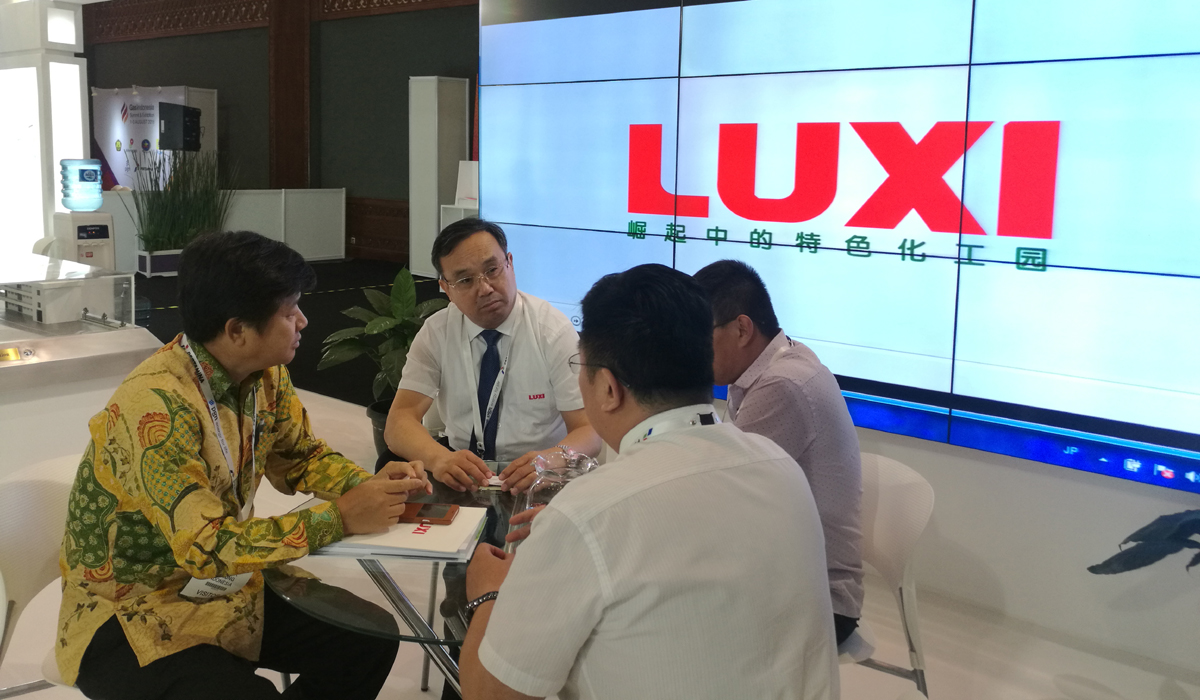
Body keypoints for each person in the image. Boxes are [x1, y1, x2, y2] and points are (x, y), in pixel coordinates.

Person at [57, 231, 427, 700]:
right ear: (237, 331)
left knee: (369, 641)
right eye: (289, 312)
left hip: (221, 586)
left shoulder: (266, 375)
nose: (303, 321)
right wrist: (339, 517)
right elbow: (206, 546)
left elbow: (301, 457)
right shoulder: (155, 408)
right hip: (132, 608)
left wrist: (373, 487)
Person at [459, 264, 839, 700]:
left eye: (579, 366)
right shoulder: (781, 467)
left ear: (608, 388)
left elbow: (488, 694)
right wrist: (570, 535)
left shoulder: (586, 514)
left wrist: (489, 594)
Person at [693, 259, 864, 645]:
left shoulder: (782, 385)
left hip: (820, 601)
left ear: (742, 329)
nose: (693, 351)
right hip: (786, 573)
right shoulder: (780, 357)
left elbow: (722, 494)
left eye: (700, 336)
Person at [382, 218, 600, 496]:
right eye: (465, 280)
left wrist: (551, 460)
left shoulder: (552, 331)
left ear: (510, 264)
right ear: (447, 289)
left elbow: (588, 429)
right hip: (464, 474)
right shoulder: (437, 332)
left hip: (540, 476)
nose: (484, 288)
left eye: (492, 270)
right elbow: (399, 421)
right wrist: (439, 458)